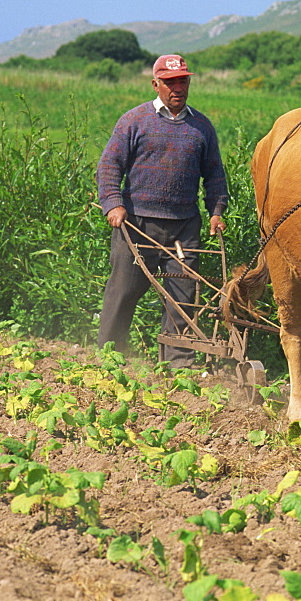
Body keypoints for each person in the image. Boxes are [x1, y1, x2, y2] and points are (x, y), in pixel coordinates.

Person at [96, 54, 228, 368]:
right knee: (125, 289)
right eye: (169, 82)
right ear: (156, 84)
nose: (177, 87)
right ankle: (109, 357)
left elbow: (214, 175)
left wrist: (216, 210)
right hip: (137, 222)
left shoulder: (201, 127)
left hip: (184, 226)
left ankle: (178, 362)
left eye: (182, 80)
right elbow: (109, 167)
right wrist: (113, 204)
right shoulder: (134, 120)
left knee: (183, 294)